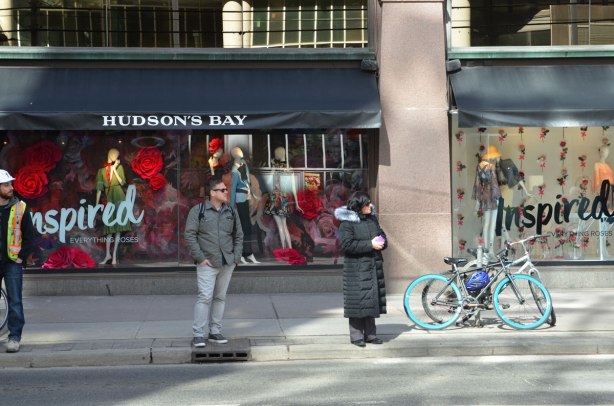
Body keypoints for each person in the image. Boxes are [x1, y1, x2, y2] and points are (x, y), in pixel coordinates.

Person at [184, 176, 243, 348]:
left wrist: (235, 258)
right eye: (223, 190)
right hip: (207, 262)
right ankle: (198, 334)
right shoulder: (198, 211)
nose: (226, 192)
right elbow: (190, 235)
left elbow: (239, 235)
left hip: (227, 262)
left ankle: (215, 331)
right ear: (212, 193)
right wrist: (200, 258)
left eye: (226, 189)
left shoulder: (231, 211)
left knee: (220, 297)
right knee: (204, 297)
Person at [334, 191, 387, 347]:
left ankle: (371, 335)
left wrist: (382, 241)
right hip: (356, 269)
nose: (370, 206)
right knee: (357, 302)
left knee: (371, 301)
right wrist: (369, 244)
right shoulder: (347, 224)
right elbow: (347, 245)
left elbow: (382, 235)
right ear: (358, 206)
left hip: (373, 266)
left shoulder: (372, 219)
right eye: (366, 204)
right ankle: (356, 336)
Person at [0, 169, 35, 353]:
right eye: (6, 185)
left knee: (15, 301)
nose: (10, 187)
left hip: (12, 262)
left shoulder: (20, 207)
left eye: (10, 184)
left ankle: (14, 337)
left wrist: (21, 257)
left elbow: (30, 236)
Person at [95, 148, 132, 265]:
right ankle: (107, 255)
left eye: (117, 155)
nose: (116, 156)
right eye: (114, 154)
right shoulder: (101, 171)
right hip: (109, 199)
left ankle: (114, 256)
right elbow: (99, 190)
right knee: (109, 229)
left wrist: (115, 169)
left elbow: (122, 183)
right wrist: (96, 205)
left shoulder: (119, 168)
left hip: (120, 197)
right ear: (109, 155)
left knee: (117, 229)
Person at [264, 146, 303, 249]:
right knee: (284, 226)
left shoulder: (276, 167)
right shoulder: (289, 169)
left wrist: (272, 169)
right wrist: (297, 203)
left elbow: (268, 183)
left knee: (280, 226)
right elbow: (293, 187)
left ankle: (285, 250)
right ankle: (289, 249)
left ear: (277, 154)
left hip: (276, 197)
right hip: (284, 197)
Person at [229, 147, 260, 264]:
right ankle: (242, 254)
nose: (241, 153)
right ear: (234, 155)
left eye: (241, 151)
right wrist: (232, 206)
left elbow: (248, 182)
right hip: (240, 199)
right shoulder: (234, 170)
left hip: (246, 198)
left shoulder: (244, 165)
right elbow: (232, 189)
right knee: (242, 227)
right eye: (237, 152)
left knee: (247, 227)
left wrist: (253, 194)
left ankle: (249, 253)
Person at [472, 145, 501, 259]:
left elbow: (477, 184)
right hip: (492, 196)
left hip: (484, 195)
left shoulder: (479, 166)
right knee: (492, 225)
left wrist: (478, 201)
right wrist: (497, 198)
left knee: (486, 224)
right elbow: (494, 183)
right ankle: (491, 250)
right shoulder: (491, 166)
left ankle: (485, 249)